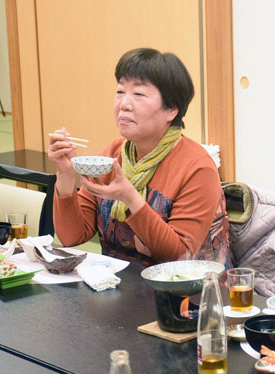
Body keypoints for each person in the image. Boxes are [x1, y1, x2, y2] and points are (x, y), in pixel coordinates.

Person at [49, 48, 230, 268]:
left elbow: (179, 256)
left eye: (139, 94)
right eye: (120, 91)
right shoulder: (111, 156)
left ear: (171, 109)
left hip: (187, 286)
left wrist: (131, 199)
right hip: (118, 282)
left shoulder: (197, 168)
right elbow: (71, 237)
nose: (123, 104)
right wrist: (66, 175)